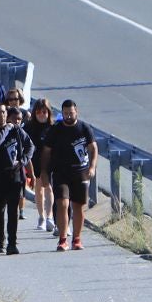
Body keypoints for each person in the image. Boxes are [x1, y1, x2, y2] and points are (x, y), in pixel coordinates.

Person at [40, 99, 97, 251]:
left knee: (78, 206)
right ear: (62, 113)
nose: (68, 116)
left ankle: (77, 239)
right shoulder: (55, 130)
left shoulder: (84, 128)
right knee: (62, 204)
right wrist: (44, 172)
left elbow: (93, 148)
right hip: (61, 173)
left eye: (71, 113)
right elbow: (46, 152)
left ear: (76, 112)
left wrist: (92, 167)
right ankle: (62, 239)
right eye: (65, 114)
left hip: (81, 173)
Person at [0, 102, 35, 254]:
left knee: (13, 210)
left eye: (4, 112)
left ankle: (12, 243)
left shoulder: (16, 130)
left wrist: (23, 160)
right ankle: (1, 240)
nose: (2, 115)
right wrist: (7, 128)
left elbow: (30, 146)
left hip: (14, 175)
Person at [25, 99, 55, 234]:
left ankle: (49, 217)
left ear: (49, 113)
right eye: (38, 112)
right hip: (34, 162)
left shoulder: (53, 128)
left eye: (44, 112)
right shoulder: (29, 127)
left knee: (48, 188)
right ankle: (41, 216)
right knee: (39, 189)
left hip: (50, 163)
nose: (41, 114)